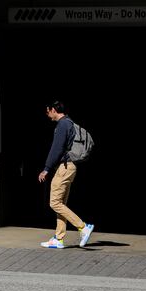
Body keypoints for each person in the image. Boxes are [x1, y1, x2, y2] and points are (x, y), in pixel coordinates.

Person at [38, 101, 94, 249]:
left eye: (48, 110)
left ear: (54, 110)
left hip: (64, 167)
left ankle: (83, 227)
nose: (47, 114)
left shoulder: (63, 125)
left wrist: (46, 168)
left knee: (54, 202)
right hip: (70, 167)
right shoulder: (69, 123)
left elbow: (56, 149)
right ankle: (59, 238)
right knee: (61, 204)